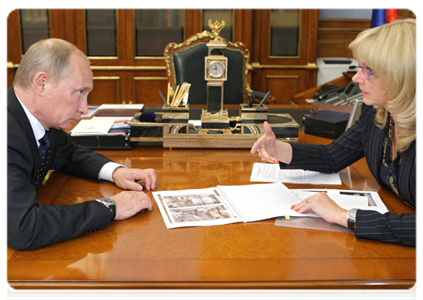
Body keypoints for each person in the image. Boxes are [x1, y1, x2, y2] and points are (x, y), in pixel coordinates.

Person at [251, 19, 420, 247]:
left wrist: (344, 216)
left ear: (403, 78)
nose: (357, 78)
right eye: (359, 67)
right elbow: (332, 157)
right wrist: (279, 149)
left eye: (369, 71)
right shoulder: (378, 113)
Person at [6, 38, 157, 251]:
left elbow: (68, 154)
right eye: (79, 92)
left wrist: (115, 172)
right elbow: (24, 228)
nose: (85, 109)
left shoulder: (41, 121)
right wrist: (110, 206)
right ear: (42, 83)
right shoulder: (6, 135)